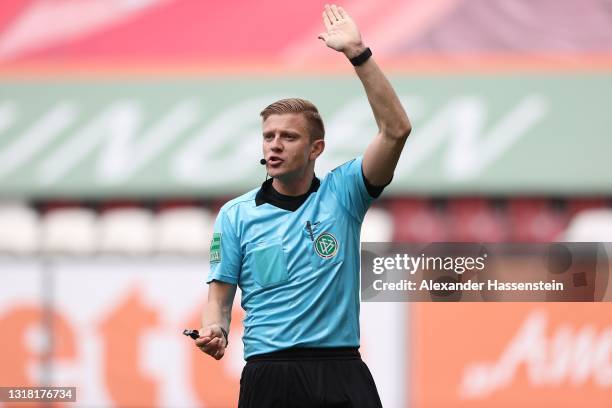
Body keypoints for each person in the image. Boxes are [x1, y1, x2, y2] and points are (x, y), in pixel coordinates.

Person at [196, 4, 411, 407]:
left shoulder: (345, 193)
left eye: (288, 137)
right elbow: (219, 302)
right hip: (268, 374)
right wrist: (216, 331)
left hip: (340, 368)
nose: (275, 144)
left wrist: (358, 54)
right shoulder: (237, 215)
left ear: (316, 148)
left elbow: (396, 130)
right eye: (268, 136)